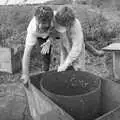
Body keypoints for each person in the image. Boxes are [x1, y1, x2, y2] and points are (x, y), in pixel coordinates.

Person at [21, 6, 54, 85]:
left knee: (66, 44)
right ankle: (45, 74)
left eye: (45, 25)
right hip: (40, 37)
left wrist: (50, 39)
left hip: (53, 33)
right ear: (36, 19)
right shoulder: (32, 30)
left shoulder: (56, 19)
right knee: (45, 54)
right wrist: (25, 74)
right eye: (39, 24)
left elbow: (58, 33)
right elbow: (27, 54)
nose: (40, 26)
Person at [54, 6, 86, 72]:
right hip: (63, 42)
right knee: (62, 67)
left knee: (78, 67)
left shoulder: (76, 26)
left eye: (66, 24)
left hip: (77, 46)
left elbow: (77, 47)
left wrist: (68, 63)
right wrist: (64, 65)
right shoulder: (55, 17)